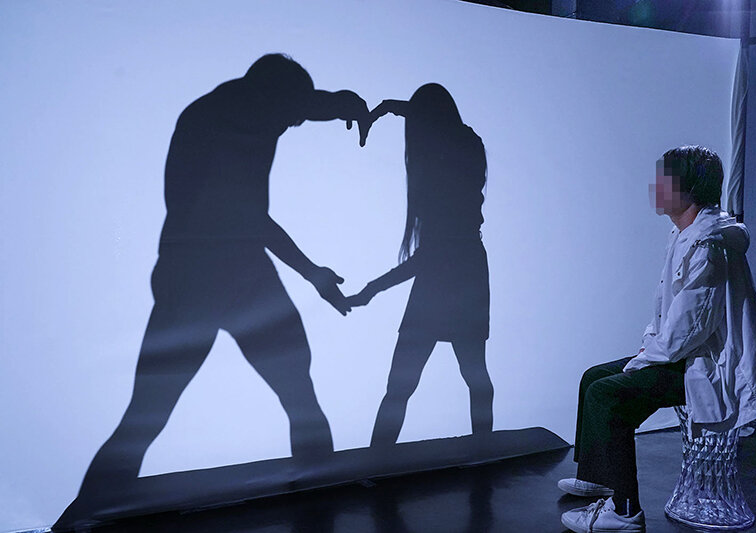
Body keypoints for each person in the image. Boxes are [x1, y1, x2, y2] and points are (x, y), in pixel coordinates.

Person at [58, 54, 371, 524]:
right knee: (150, 415)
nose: (289, 126)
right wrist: (312, 273)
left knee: (295, 399)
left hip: (228, 272)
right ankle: (84, 519)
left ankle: (321, 510)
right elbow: (248, 217)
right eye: (287, 116)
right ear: (269, 98)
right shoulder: (219, 122)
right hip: (201, 278)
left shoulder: (257, 104)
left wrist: (346, 103)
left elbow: (309, 105)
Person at [558, 146, 756, 533]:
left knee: (607, 394)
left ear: (688, 189)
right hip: (686, 356)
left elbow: (690, 329)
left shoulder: (708, 245)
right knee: (594, 376)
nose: (655, 187)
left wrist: (646, 356)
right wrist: (648, 347)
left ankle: (624, 511)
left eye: (664, 180)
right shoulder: (685, 235)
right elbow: (666, 314)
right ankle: (600, 476)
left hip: (709, 368)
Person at [347, 84, 494, 447]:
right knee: (466, 375)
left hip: (451, 277)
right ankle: (483, 448)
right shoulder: (463, 151)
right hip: (459, 276)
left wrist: (372, 288)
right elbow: (438, 121)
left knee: (418, 382)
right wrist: (390, 108)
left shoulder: (452, 161)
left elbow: (428, 259)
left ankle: (379, 458)